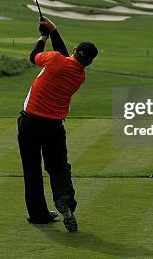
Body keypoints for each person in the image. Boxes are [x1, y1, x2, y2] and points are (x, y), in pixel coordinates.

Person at [18, 17, 98, 232]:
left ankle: (38, 214)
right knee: (58, 167)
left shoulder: (54, 60)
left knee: (32, 168)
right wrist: (54, 30)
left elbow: (33, 57)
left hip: (30, 122)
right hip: (53, 126)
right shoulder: (79, 75)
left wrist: (44, 36)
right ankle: (64, 202)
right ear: (89, 62)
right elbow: (64, 57)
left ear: (74, 50)